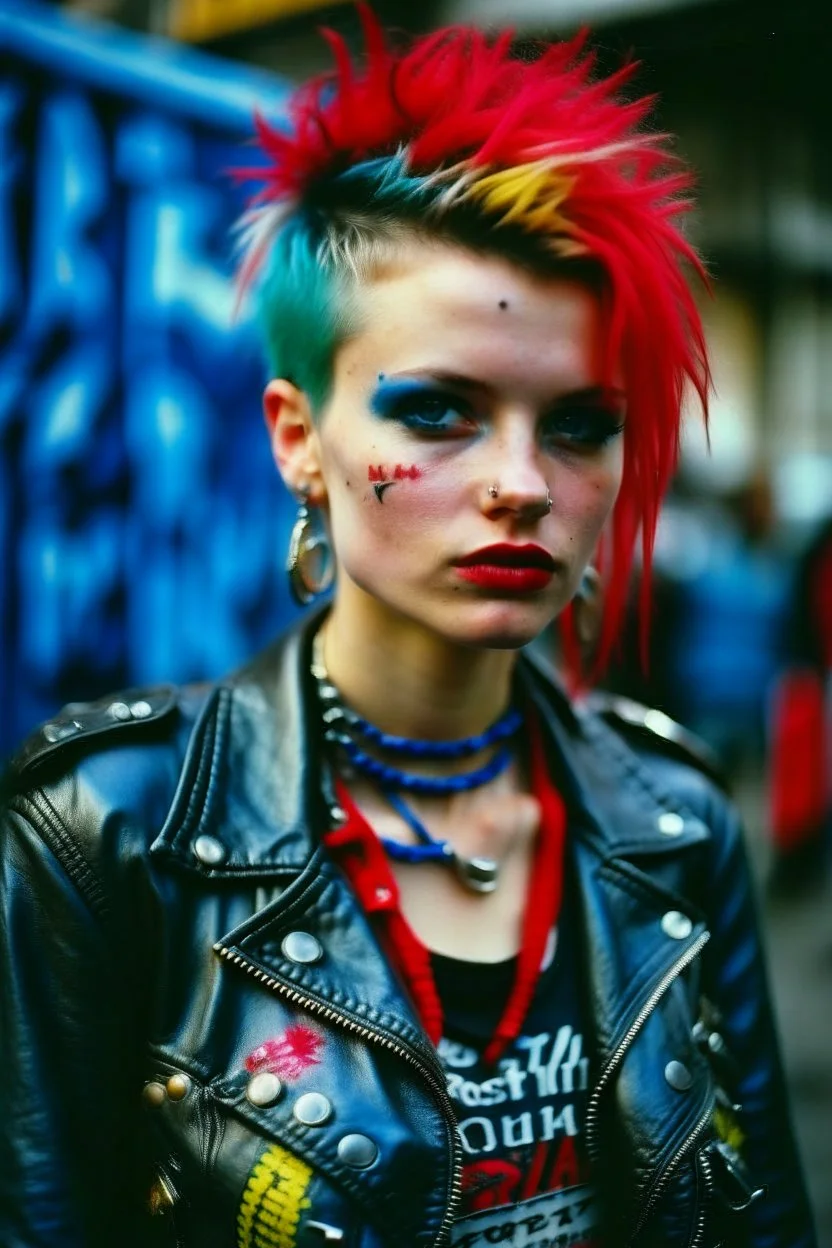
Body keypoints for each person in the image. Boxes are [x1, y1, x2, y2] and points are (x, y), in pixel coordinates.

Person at [0, 11, 817, 1248]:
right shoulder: (110, 837)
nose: (522, 482)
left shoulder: (674, 820)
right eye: (437, 410)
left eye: (581, 425)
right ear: (299, 441)